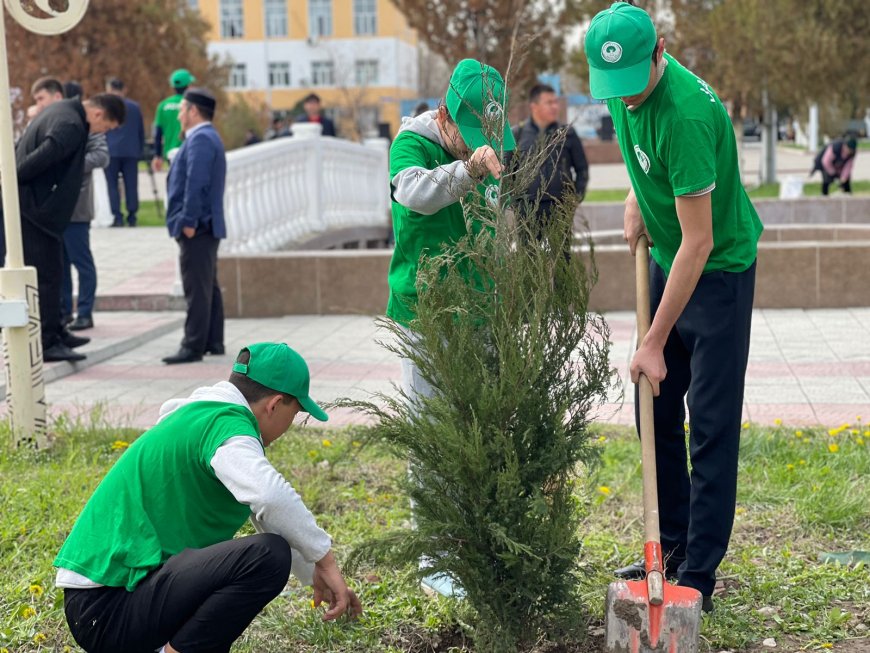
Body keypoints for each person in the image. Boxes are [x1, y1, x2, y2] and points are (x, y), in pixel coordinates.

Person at [584, 2, 763, 613]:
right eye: (615, 90)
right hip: (670, 258)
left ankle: (698, 576)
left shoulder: (686, 113)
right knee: (654, 411)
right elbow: (642, 151)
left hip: (717, 273)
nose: (624, 100)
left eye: (633, 84)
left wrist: (654, 340)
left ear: (659, 52)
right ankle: (670, 547)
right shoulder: (621, 85)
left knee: (710, 427)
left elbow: (700, 240)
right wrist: (639, 195)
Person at [55, 342, 363, 653]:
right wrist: (327, 558)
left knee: (266, 552)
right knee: (268, 557)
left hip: (101, 605)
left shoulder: (202, 416)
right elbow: (272, 497)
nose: (289, 426)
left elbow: (269, 515)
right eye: (294, 414)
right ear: (275, 404)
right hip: (108, 608)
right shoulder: (227, 427)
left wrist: (316, 577)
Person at [387, 58, 514, 595]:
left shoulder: (483, 153)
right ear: (444, 113)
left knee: (478, 423)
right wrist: (469, 171)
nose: (479, 143)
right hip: (426, 310)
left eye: (489, 133)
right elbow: (415, 194)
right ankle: (435, 558)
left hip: (479, 308)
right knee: (434, 432)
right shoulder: (411, 146)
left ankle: (474, 537)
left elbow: (493, 225)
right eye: (471, 131)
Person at [3, 84, 124, 362]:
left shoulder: (66, 111)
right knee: (46, 276)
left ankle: (57, 331)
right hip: (36, 210)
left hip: (40, 210)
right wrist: (12, 179)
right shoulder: (70, 125)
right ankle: (47, 342)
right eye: (106, 125)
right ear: (97, 113)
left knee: (55, 270)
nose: (103, 132)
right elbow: (35, 161)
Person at [162, 88, 226, 365]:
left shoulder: (201, 139)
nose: (178, 113)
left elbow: (195, 184)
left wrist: (188, 221)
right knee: (207, 284)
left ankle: (193, 345)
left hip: (197, 226)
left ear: (193, 111)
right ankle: (213, 340)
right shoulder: (206, 137)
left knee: (196, 288)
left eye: (182, 108)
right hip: (205, 226)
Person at [511, 83, 589, 254]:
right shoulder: (517, 134)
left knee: (562, 262)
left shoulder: (567, 133)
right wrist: (516, 204)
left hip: (559, 208)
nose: (555, 106)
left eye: (556, 102)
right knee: (528, 262)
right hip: (528, 210)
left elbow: (582, 170)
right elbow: (507, 172)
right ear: (534, 106)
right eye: (549, 102)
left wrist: (574, 200)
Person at [61, 81, 110, 332]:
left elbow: (102, 156)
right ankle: (63, 311)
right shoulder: (61, 124)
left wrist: (71, 164)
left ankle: (84, 312)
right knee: (61, 263)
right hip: (56, 209)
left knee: (82, 263)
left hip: (78, 210)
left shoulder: (91, 128)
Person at [104, 78, 146, 227]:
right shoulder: (134, 107)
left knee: (112, 185)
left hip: (111, 151)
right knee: (131, 184)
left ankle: (117, 216)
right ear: (124, 89)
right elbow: (141, 130)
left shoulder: (106, 107)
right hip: (131, 151)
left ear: (109, 89)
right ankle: (132, 215)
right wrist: (140, 149)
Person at [151, 68, 194, 172]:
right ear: (188, 86)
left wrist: (157, 155)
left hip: (170, 153)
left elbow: (158, 133)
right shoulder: (191, 105)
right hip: (189, 151)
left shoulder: (163, 105)